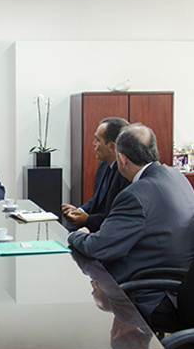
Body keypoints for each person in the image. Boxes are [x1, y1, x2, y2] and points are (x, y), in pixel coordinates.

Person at [68, 123, 194, 324]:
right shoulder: (175, 175)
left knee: (84, 292)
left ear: (122, 159)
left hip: (154, 293)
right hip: (181, 286)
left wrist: (77, 234)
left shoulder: (136, 195)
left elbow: (99, 247)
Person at [62, 117, 130, 232]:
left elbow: (117, 217)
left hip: (106, 232)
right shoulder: (103, 164)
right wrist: (80, 211)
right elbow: (97, 199)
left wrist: (87, 220)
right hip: (91, 227)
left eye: (97, 140)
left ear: (111, 147)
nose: (94, 144)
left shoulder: (126, 173)